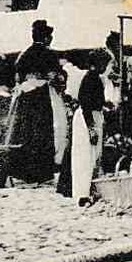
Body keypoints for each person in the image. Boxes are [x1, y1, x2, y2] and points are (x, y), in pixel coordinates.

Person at [57, 51, 107, 205]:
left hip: (90, 116)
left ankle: (87, 189)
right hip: (88, 119)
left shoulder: (93, 78)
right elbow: (86, 105)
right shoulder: (92, 78)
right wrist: (91, 128)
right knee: (86, 156)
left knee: (89, 155)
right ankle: (82, 192)